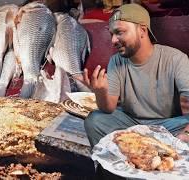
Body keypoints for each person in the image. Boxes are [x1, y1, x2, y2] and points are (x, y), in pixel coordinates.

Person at [78, 3, 189, 148]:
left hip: (167, 126)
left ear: (142, 30)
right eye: (111, 34)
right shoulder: (116, 61)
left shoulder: (175, 58)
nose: (113, 40)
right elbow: (108, 108)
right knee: (95, 120)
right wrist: (100, 92)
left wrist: (186, 134)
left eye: (119, 32)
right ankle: (111, 168)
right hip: (130, 123)